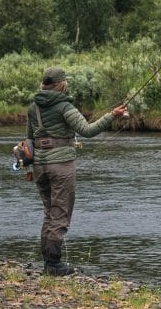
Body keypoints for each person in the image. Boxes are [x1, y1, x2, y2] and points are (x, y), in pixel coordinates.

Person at [27, 65, 127, 276]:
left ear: (44, 84)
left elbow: (30, 138)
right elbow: (88, 131)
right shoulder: (65, 107)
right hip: (61, 166)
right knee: (60, 213)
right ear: (62, 84)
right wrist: (112, 115)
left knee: (49, 213)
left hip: (39, 166)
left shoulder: (33, 108)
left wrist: (28, 166)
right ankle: (53, 264)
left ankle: (47, 260)